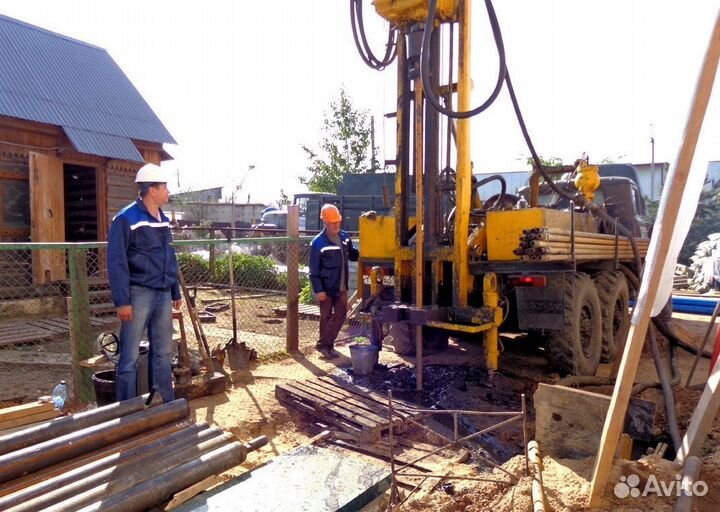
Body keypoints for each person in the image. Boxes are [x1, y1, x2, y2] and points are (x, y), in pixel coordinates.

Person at [107, 163, 182, 403]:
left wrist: (174, 290)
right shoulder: (126, 218)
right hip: (138, 294)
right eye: (165, 187)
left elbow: (169, 256)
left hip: (162, 294)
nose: (168, 192)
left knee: (162, 352)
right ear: (152, 189)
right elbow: (116, 261)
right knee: (128, 356)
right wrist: (122, 301)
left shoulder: (163, 219)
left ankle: (163, 402)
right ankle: (125, 408)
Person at [309, 204, 359, 359]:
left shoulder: (344, 237)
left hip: (341, 287)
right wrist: (319, 290)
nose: (337, 225)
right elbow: (313, 270)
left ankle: (325, 344)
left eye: (338, 222)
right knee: (325, 317)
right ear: (325, 222)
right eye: (333, 223)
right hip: (326, 287)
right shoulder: (318, 243)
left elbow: (352, 255)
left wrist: (367, 254)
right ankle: (326, 346)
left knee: (341, 314)